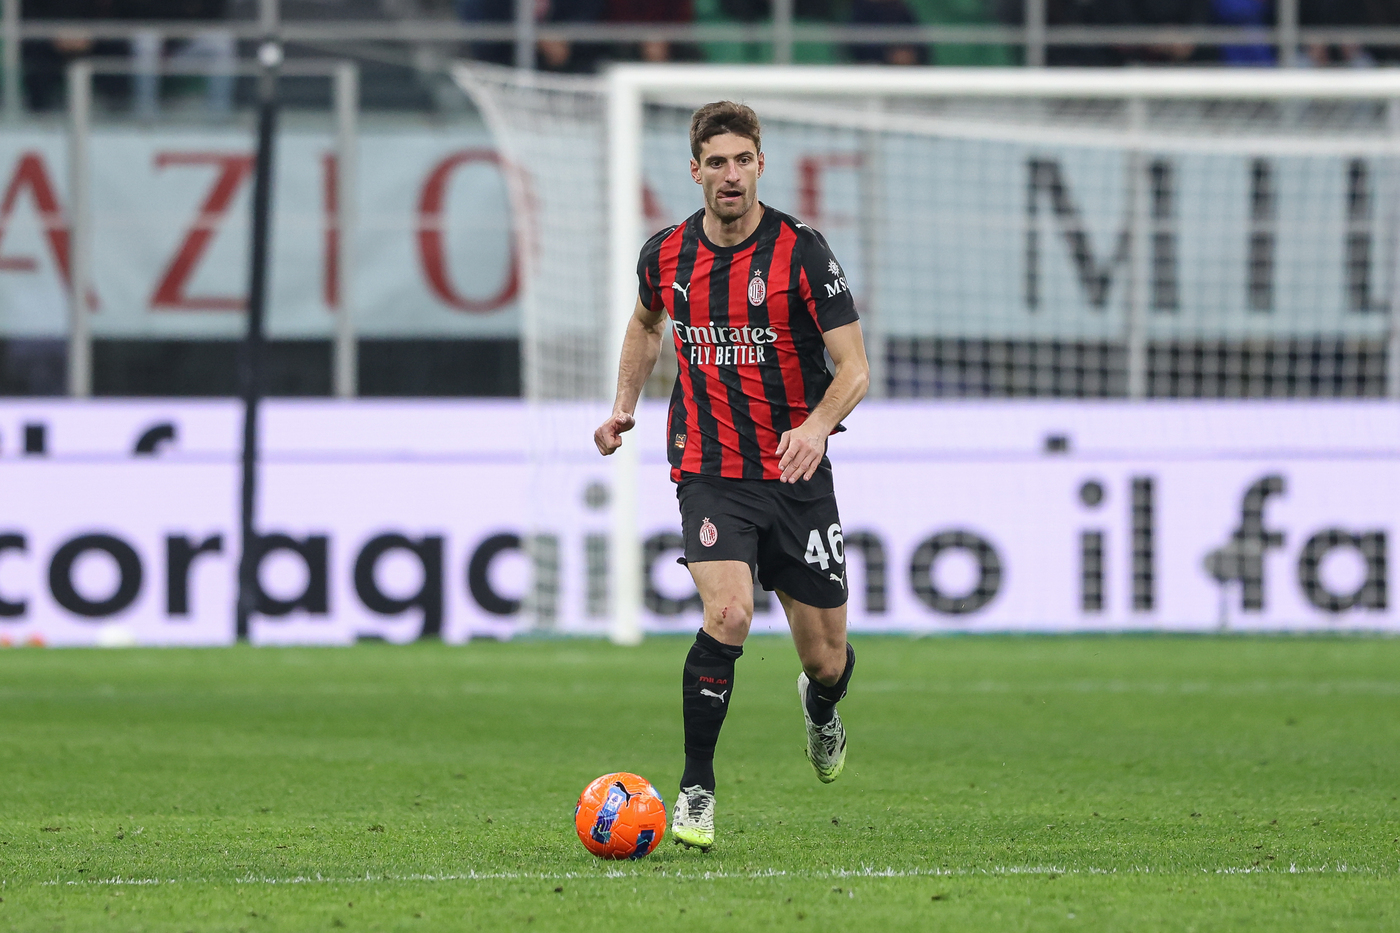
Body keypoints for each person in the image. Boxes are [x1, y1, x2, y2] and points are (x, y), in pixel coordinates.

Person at [593, 102, 870, 851]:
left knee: (827, 657)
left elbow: (854, 368)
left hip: (796, 470)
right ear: (695, 171)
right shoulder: (667, 253)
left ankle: (821, 708)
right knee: (730, 615)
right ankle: (695, 790)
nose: (730, 175)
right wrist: (623, 405)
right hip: (710, 467)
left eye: (742, 159)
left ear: (759, 164)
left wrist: (814, 427)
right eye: (715, 162)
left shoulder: (803, 254)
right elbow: (647, 322)